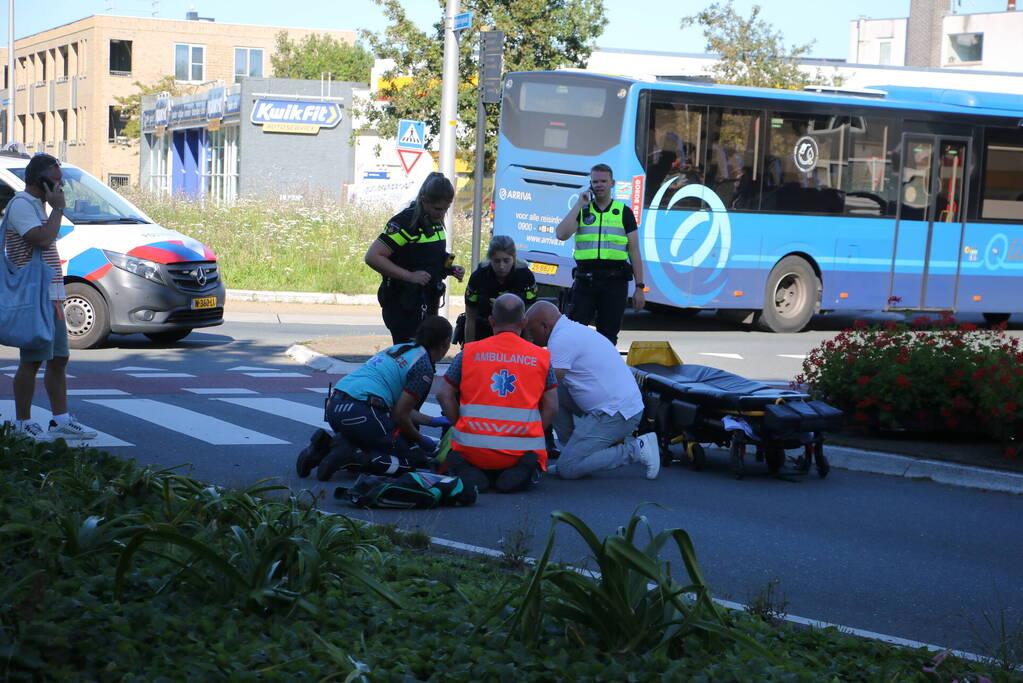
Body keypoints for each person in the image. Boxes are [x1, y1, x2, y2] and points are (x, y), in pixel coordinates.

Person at [4, 153, 96, 442]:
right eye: (56, 181)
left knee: (59, 358)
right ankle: (23, 422)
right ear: (40, 180)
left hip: (52, 293)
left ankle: (61, 419)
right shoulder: (21, 205)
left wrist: (52, 207)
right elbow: (42, 239)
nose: (60, 187)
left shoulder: (39, 205)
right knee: (31, 360)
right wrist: (57, 209)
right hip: (35, 294)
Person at [295, 315, 453, 482]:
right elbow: (400, 415)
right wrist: (420, 440)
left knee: (374, 441)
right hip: (363, 410)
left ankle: (323, 448)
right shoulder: (423, 366)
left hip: (336, 405)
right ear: (445, 342)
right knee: (408, 461)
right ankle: (351, 457)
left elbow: (398, 407)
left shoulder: (402, 349)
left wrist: (433, 421)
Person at [523, 301, 659, 480]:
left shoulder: (560, 340)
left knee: (568, 469)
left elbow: (543, 387)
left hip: (616, 414)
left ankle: (637, 449)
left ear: (545, 326)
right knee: (556, 393)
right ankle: (574, 453)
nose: (530, 338)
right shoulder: (569, 330)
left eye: (532, 331)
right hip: (615, 406)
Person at [438, 294, 558, 493]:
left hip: (472, 447)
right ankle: (524, 469)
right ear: (524, 322)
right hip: (521, 449)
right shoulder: (542, 358)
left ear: (492, 321)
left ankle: (468, 468)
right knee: (529, 458)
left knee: (458, 456)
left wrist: (460, 424)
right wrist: (534, 430)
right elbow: (552, 406)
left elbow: (444, 394)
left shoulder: (469, 352)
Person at [365, 173, 465, 344]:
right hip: (404, 304)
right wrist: (409, 276)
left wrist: (450, 268)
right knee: (409, 357)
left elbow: (427, 257)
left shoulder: (435, 222)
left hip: (428, 302)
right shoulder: (405, 223)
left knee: (425, 357)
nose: (441, 214)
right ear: (424, 200)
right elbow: (373, 257)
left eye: (445, 209)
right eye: (437, 208)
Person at [555, 163, 645, 346]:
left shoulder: (623, 213)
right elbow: (561, 234)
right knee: (575, 332)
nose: (599, 185)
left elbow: (634, 251)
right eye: (595, 181)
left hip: (614, 283)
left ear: (612, 183)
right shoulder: (583, 210)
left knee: (608, 336)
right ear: (590, 184)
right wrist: (579, 204)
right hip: (585, 281)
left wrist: (639, 287)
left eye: (603, 181)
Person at [458, 235, 538, 345]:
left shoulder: (525, 276)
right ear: (490, 259)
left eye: (506, 261)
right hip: (484, 334)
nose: (501, 266)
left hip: (516, 336)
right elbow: (470, 319)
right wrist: (468, 349)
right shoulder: (479, 276)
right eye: (496, 261)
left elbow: (529, 318)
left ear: (514, 258)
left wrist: (528, 349)